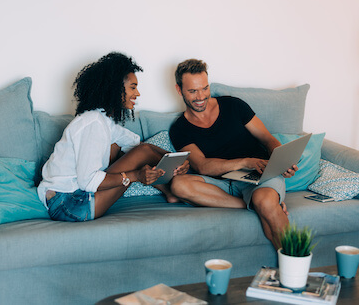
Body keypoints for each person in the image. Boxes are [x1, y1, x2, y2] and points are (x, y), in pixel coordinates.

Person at [37, 52, 188, 222]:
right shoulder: (93, 123)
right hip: (69, 204)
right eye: (133, 87)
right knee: (140, 153)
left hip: (72, 199)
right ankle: (174, 190)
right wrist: (136, 175)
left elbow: (135, 145)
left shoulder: (103, 120)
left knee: (125, 149)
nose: (137, 93)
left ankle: (174, 187)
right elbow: (88, 181)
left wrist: (175, 160)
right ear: (115, 88)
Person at [168, 59, 297, 249]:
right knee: (179, 185)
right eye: (192, 91)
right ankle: (250, 204)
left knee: (265, 202)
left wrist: (282, 160)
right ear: (179, 90)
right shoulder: (180, 129)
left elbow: (267, 139)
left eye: (204, 88)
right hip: (221, 183)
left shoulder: (233, 106)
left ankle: (296, 271)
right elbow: (202, 166)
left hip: (258, 176)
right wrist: (245, 161)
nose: (200, 96)